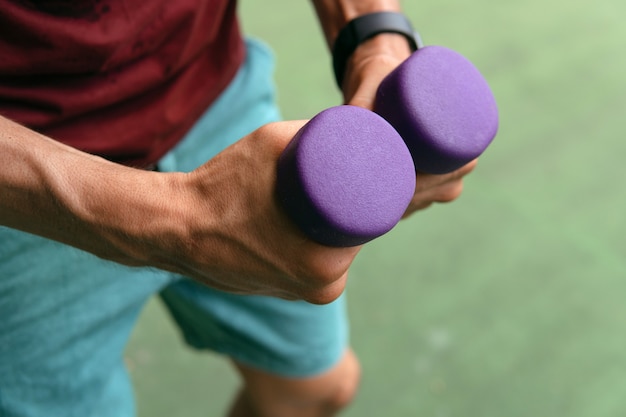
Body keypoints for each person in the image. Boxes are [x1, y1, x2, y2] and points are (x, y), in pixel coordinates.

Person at [0, 1, 476, 416]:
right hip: (29, 162)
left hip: (210, 87)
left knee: (313, 391)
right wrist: (178, 223)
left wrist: (374, 36)